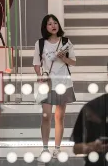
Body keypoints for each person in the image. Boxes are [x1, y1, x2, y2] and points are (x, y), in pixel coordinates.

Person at [33, 14, 77, 159]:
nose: (53, 26)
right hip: (47, 83)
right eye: (49, 24)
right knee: (46, 116)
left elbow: (73, 62)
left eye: (55, 23)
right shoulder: (40, 43)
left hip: (63, 82)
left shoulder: (66, 42)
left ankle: (57, 148)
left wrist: (62, 57)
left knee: (60, 116)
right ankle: (45, 148)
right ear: (45, 27)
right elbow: (36, 63)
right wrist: (40, 75)